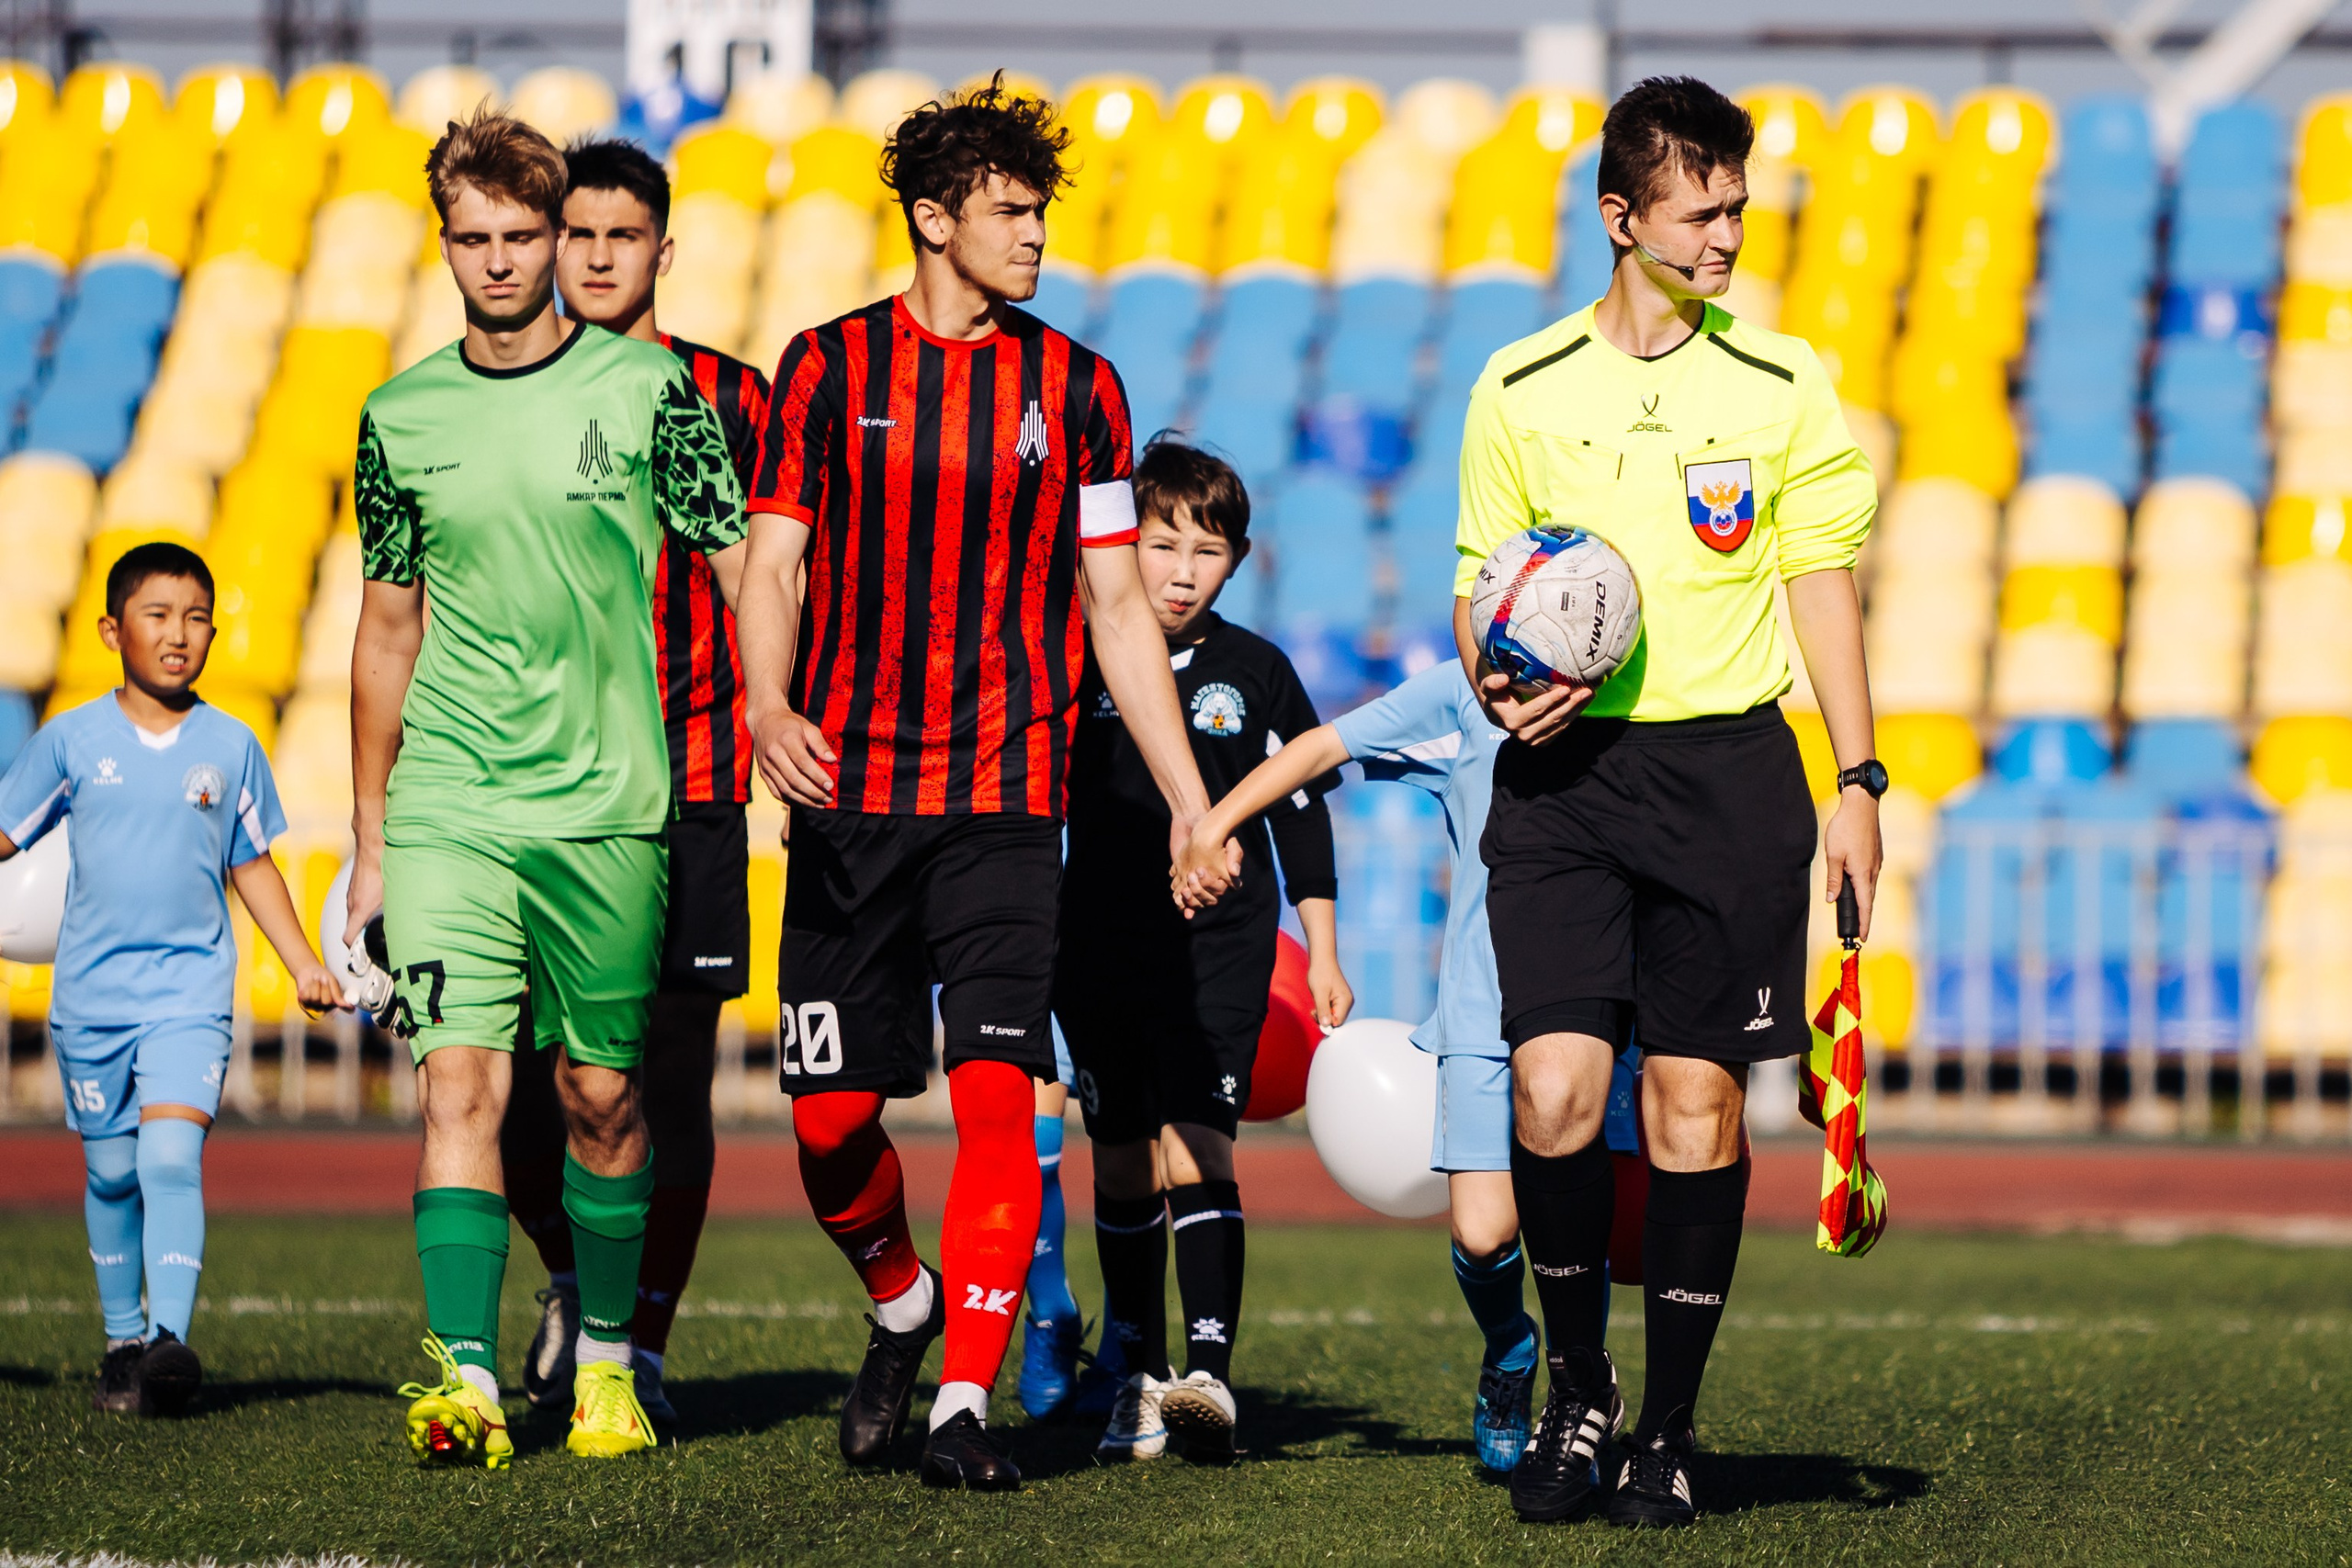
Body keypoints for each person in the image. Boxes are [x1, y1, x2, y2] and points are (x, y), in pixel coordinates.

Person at [746, 78, 1236, 1491]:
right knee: (831, 1120)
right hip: (849, 795)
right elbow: (773, 563)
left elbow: (1116, 604)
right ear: (931, 218)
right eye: (1010, 212)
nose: (1034, 235)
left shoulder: (1080, 388)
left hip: (1008, 794)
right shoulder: (825, 366)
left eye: (1039, 212)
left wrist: (1188, 796)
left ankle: (964, 1397)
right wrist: (771, 703)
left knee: (999, 1088)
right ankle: (899, 1298)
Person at [1449, 76, 1883, 1529]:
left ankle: (1671, 1428)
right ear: (1621, 217)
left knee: (1695, 1104)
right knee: (1555, 1089)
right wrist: (1494, 675)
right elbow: (1478, 583)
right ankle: (1580, 1389)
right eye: (1701, 211)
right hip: (1565, 780)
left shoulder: (1783, 382)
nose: (1728, 235)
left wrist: (1859, 778)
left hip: (1729, 777)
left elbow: (1821, 579)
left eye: (1738, 207)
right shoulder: (1518, 386)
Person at [345, 109, 783, 1467]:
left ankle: (605, 1360)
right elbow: (387, 629)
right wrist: (370, 832)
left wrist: (773, 708)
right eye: (470, 237)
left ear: (552, 240)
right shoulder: (397, 416)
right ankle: (465, 1381)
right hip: (451, 806)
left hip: (609, 806)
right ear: (444, 244)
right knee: (458, 1088)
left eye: (520, 235)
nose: (497, 260)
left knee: (603, 1095)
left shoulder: (653, 394)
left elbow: (743, 566)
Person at [499, 136, 774, 1432]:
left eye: (624, 236)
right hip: (535, 786)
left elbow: (777, 578)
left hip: (694, 783)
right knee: (515, 1086)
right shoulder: (499, 390)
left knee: (668, 1081)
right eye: (579, 234)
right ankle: (573, 1273)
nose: (599, 256)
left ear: (665, 250)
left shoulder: (732, 398)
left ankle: (641, 1343)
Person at [1057, 437, 1352, 1464]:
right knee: (1122, 1159)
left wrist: (1322, 951)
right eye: (1162, 544)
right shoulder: (1077, 656)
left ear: (1238, 561)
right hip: (1098, 939)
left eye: (1208, 551)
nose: (1182, 572)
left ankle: (1210, 1376)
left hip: (1220, 945)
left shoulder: (1256, 672)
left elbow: (1304, 814)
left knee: (1196, 1142)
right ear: (1122, 545)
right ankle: (1134, 1378)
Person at [0, 543, 345, 1417]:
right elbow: (6, 834)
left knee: (168, 1156)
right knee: (113, 1174)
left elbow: (252, 863)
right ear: (112, 630)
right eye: (157, 615)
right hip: (89, 1000)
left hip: (190, 996)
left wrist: (303, 961)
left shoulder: (232, 745)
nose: (178, 634)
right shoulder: (70, 739)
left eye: (196, 618)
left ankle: (165, 1345)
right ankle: (122, 1342)